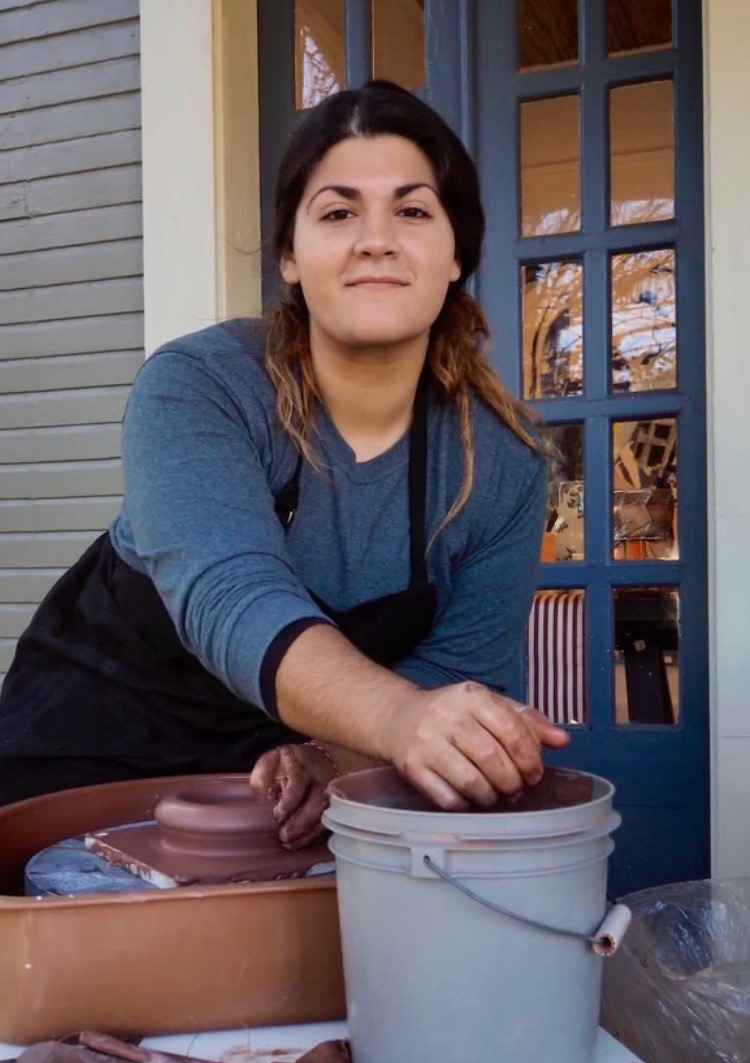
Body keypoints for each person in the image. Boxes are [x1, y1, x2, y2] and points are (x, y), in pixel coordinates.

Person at [0, 79, 569, 843]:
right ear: (290, 257)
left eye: (411, 210)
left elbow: (455, 672)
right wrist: (400, 717)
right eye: (338, 212)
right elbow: (233, 596)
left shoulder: (501, 461)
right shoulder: (201, 386)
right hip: (87, 755)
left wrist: (329, 759)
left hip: (296, 800)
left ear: (456, 252)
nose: (376, 238)